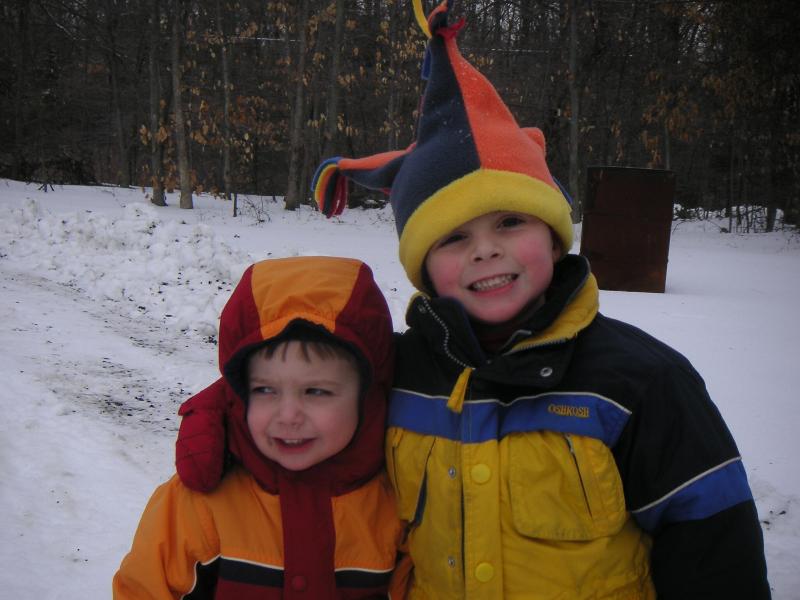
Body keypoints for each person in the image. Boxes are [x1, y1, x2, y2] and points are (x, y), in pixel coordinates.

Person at [309, 1, 771, 598]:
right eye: (453, 237)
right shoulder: (398, 374)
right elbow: (290, 406)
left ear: (554, 240)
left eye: (510, 222)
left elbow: (715, 554)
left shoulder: (641, 383)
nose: (486, 251)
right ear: (423, 269)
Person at [113, 256, 408, 599]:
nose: (288, 415)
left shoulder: (396, 505)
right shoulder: (198, 506)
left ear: (366, 399)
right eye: (265, 390)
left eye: (316, 392)